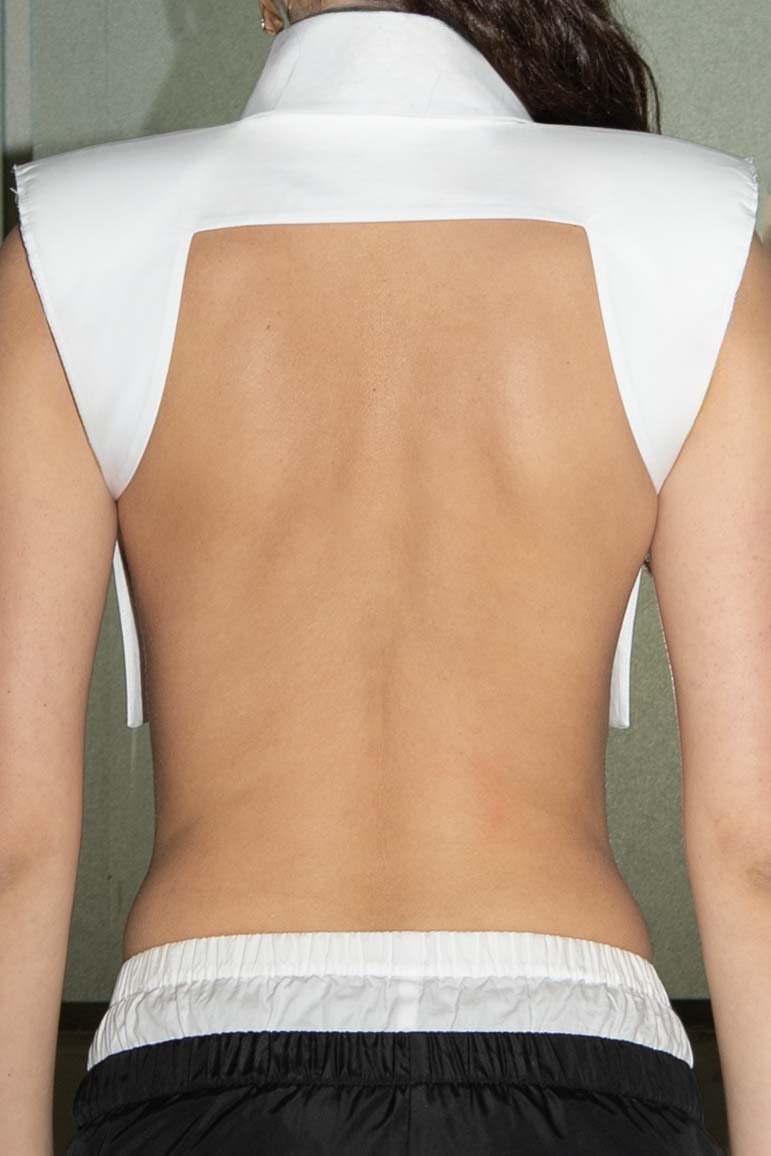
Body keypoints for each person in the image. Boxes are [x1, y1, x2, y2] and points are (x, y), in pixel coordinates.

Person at [0, 1, 768, 1153]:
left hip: (203, 1064)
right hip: (583, 1063)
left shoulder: (68, 248)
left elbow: (15, 839)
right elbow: (754, 840)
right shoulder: (701, 242)